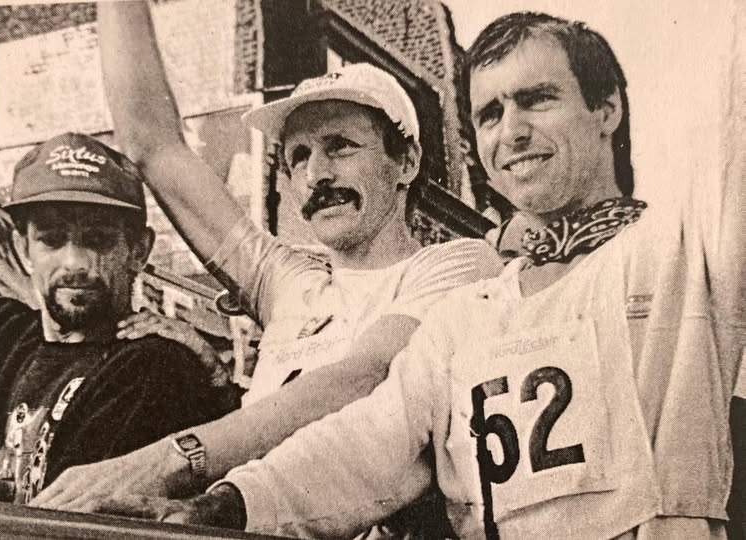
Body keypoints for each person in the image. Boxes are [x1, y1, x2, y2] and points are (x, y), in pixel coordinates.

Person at [83, 11, 743, 539]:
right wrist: (219, 507)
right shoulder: (469, 315)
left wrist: (178, 462)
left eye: (537, 100)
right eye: (489, 114)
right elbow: (369, 443)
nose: (512, 132)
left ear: (607, 110)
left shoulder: (685, 251)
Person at [32, 0, 502, 517]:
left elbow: (363, 376)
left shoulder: (460, 267)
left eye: (340, 146)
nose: (316, 175)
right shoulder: (290, 284)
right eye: (298, 156)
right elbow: (153, 146)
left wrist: (171, 459)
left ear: (406, 161)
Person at [0, 132, 236, 505]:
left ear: (138, 251)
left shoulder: (151, 367)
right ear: (24, 249)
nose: (74, 262)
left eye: (97, 240)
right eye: (52, 240)